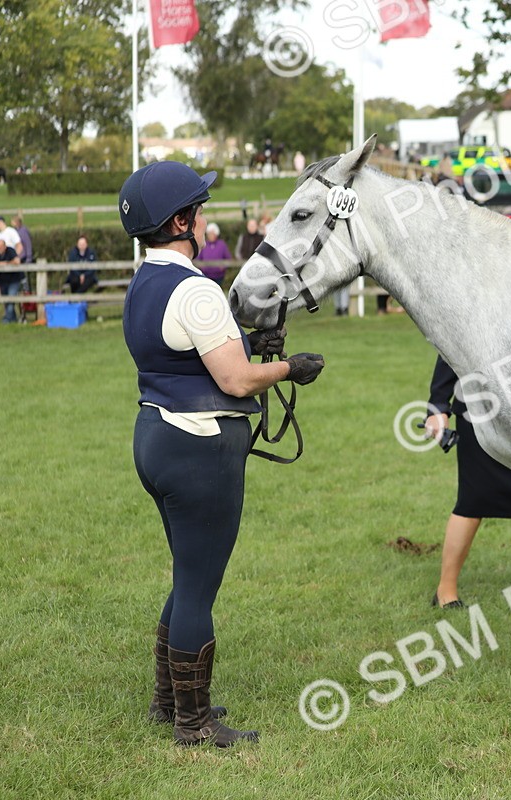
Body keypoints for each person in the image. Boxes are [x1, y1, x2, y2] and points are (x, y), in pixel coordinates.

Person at [118, 160, 325, 747]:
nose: (205, 218)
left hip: (156, 437)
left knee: (187, 575)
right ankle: (194, 724)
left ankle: (168, 702)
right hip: (198, 450)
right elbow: (235, 380)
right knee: (199, 586)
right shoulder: (197, 289)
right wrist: (289, 367)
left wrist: (248, 345)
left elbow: (186, 352)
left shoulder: (144, 282)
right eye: (199, 209)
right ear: (179, 220)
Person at [424, 355, 511, 608]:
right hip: (479, 408)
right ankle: (445, 590)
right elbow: (450, 342)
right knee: (472, 501)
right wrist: (438, 406)